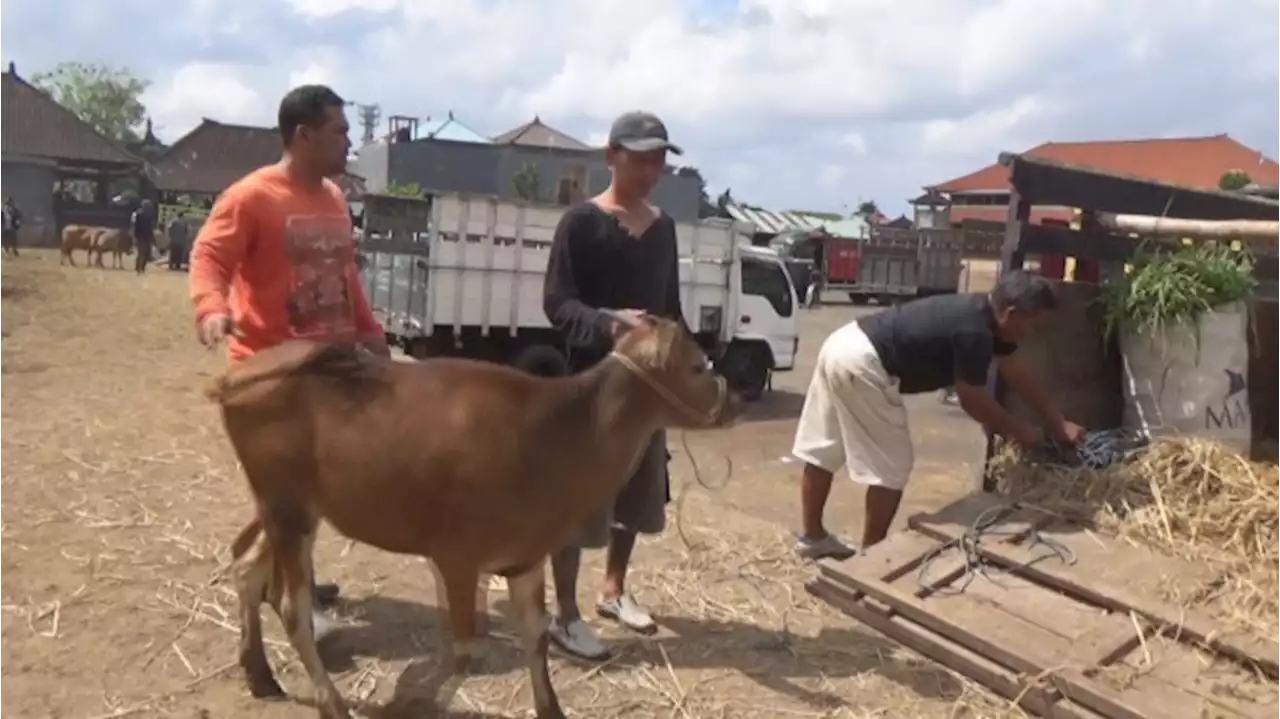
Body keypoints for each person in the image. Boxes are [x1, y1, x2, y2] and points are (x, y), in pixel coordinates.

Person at [188, 84, 390, 638]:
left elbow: (345, 276)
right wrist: (210, 308)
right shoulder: (251, 197)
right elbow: (208, 255)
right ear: (303, 136)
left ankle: (293, 573)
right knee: (291, 493)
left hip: (331, 366)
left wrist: (369, 332)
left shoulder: (332, 199)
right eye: (339, 132)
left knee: (323, 483)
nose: (350, 141)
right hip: (272, 376)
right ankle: (294, 597)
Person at [791, 270, 1085, 560]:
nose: (1031, 333)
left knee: (824, 448)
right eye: (1032, 326)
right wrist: (1022, 431)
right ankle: (870, 560)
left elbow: (1017, 371)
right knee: (892, 467)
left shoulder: (982, 313)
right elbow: (973, 401)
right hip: (865, 365)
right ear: (1010, 313)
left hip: (842, 343)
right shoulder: (975, 332)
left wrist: (1056, 420)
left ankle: (813, 538)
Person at [541, 110, 686, 660]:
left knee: (637, 489)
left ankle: (613, 590)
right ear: (611, 156)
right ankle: (564, 614)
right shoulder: (581, 223)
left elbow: (671, 308)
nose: (651, 169)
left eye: (658, 159)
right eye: (640, 157)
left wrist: (683, 362)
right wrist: (608, 323)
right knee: (577, 499)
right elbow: (557, 303)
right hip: (592, 386)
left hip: (645, 391)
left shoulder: (664, 228)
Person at [131, 200, 156, 274]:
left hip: (146, 236)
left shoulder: (148, 215)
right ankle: (138, 268)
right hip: (140, 236)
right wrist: (134, 237)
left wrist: (152, 237)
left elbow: (150, 227)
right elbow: (134, 226)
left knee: (146, 253)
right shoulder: (137, 214)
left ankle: (142, 268)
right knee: (141, 253)